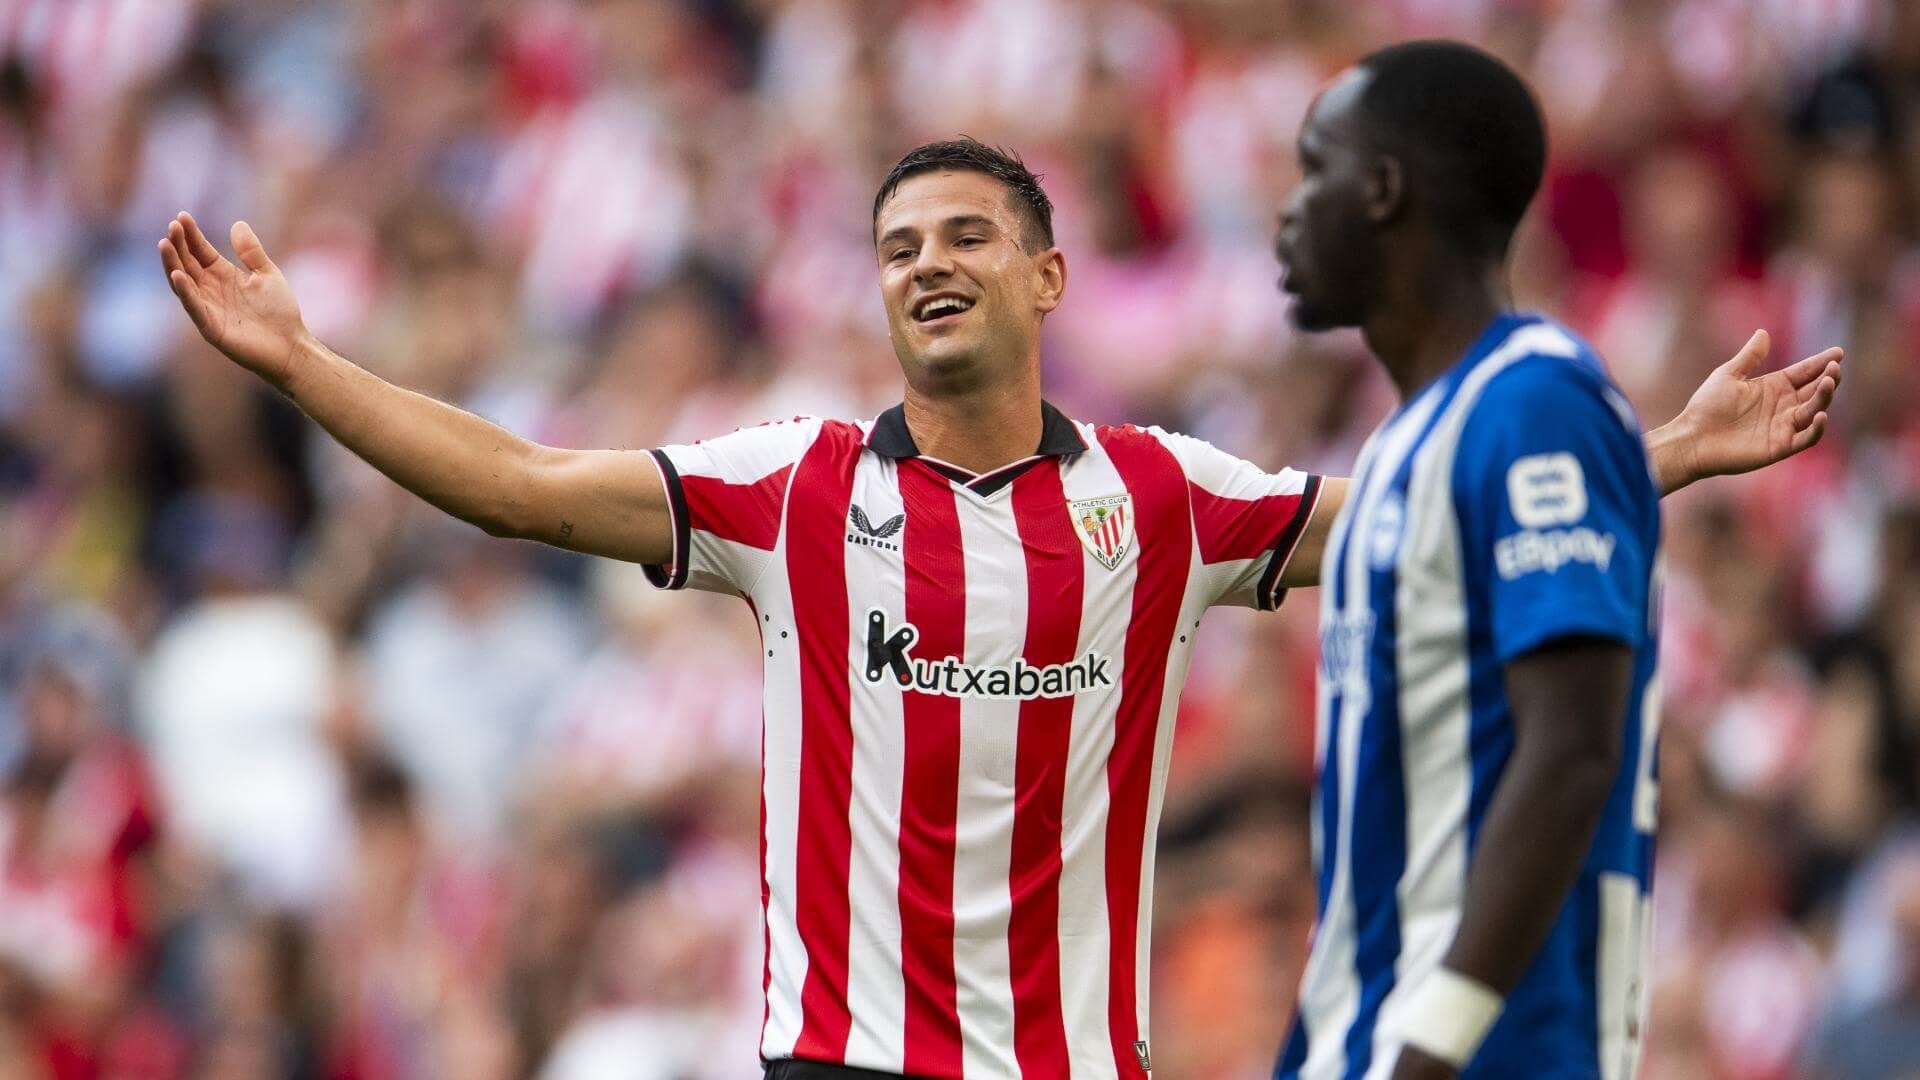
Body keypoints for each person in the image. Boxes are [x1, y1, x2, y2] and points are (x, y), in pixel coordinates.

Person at [157, 132, 1836, 1077]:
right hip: (843, 1064)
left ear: (1044, 276)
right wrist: (302, 367)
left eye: (967, 234)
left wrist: (1665, 450)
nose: (928, 262)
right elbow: (516, 482)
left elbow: (1427, 518)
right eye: (899, 245)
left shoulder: (1157, 502)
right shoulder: (795, 489)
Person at [1267, 41, 1842, 1080]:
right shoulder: (1409, 446)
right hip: (1368, 1035)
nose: (1289, 210)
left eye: (1316, 170)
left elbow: (1573, 750)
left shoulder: (1534, 398)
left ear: (1387, 190)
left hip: (1488, 1053)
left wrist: (1429, 1042)